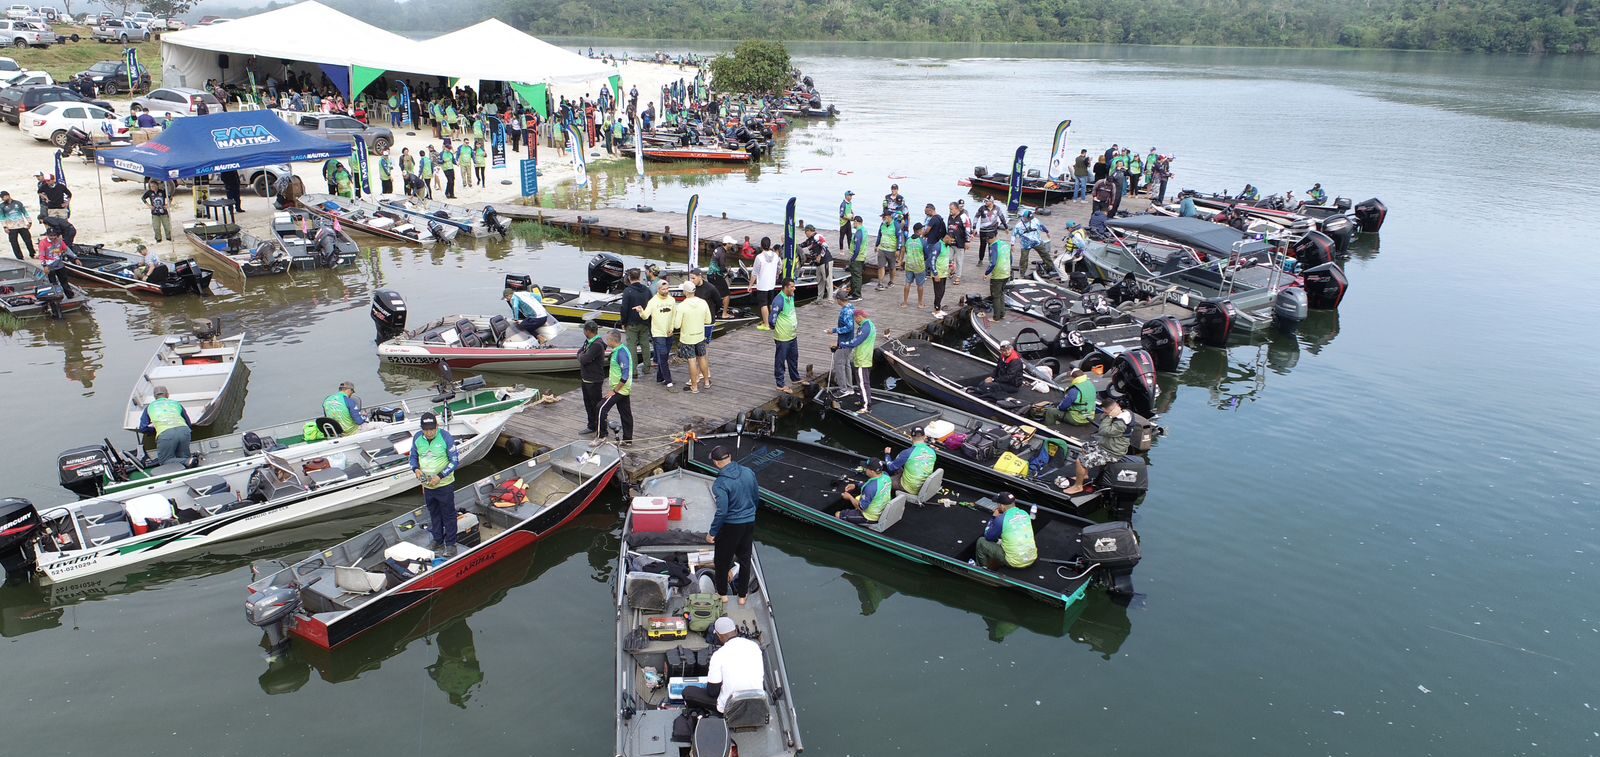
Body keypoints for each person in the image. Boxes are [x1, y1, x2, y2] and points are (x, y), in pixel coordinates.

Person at [681, 616, 765, 714]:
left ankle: (701, 713)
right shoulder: (754, 646)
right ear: (736, 630)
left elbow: (712, 692)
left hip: (731, 708)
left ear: (719, 636)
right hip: (757, 702)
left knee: (688, 692)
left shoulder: (718, 655)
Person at [707, 445, 758, 604]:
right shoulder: (748, 472)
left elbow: (722, 511)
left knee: (721, 561)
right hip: (749, 522)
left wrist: (712, 533)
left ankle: (723, 594)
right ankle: (742, 596)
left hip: (730, 526)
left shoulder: (720, 483)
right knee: (745, 559)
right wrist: (751, 514)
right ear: (730, 457)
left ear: (716, 463)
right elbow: (756, 496)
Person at [409, 412, 461, 556]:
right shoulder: (417, 438)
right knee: (434, 513)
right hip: (427, 486)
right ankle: (438, 540)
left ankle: (451, 544)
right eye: (426, 429)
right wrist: (416, 469)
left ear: (437, 426)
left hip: (444, 485)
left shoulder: (445, 437)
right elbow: (413, 457)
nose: (429, 432)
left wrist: (440, 476)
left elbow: (455, 461)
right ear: (421, 428)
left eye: (432, 429)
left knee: (449, 515)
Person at [1059, 398, 1131, 495]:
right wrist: (1108, 415)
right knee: (1085, 446)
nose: (1104, 413)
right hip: (1106, 445)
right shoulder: (1118, 414)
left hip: (1112, 452)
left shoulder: (1121, 422)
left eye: (1105, 411)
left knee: (1081, 461)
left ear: (1112, 410)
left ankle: (1078, 486)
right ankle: (1084, 475)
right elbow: (1102, 419)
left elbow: (1103, 431)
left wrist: (1109, 417)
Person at [974, 492, 1036, 570]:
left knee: (981, 542)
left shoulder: (1001, 519)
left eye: (998, 504)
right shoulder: (1025, 513)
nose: (997, 506)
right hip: (1031, 558)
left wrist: (993, 518)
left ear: (1002, 506)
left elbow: (988, 536)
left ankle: (983, 569)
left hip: (1015, 562)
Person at [634, 278, 677, 388]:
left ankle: (659, 377)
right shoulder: (653, 301)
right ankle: (668, 380)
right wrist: (640, 311)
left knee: (664, 357)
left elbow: (674, 315)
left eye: (667, 289)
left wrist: (672, 328)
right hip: (658, 334)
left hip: (669, 332)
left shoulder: (672, 300)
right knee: (662, 356)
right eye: (663, 289)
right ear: (658, 289)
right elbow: (645, 316)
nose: (666, 291)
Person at [672, 281, 712, 392]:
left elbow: (677, 325)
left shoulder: (682, 306)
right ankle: (706, 382)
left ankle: (694, 386)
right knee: (702, 357)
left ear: (685, 292)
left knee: (692, 361)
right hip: (700, 335)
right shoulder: (703, 302)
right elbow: (708, 320)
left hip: (688, 338)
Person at [595, 329, 634, 443]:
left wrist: (615, 390)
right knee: (625, 413)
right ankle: (627, 440)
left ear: (613, 340)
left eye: (608, 339)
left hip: (620, 389)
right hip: (622, 389)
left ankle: (601, 436)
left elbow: (625, 375)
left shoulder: (621, 353)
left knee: (600, 408)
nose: (606, 341)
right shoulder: (619, 349)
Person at [138, 386, 192, 465]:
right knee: (185, 458)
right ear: (167, 395)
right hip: (184, 430)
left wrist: (155, 430)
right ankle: (189, 461)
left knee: (165, 461)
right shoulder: (176, 403)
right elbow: (188, 423)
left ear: (155, 397)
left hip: (165, 433)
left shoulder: (149, 407)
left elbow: (143, 428)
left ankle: (187, 461)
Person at [838, 307, 877, 410]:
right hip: (863, 358)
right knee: (861, 382)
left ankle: (866, 407)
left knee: (863, 384)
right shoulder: (868, 325)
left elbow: (855, 342)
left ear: (859, 317)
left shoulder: (866, 328)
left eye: (855, 318)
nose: (855, 321)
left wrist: (840, 344)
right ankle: (862, 400)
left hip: (862, 360)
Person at [618, 268, 653, 379]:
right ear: (640, 277)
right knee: (645, 345)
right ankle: (647, 367)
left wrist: (623, 322)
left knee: (631, 346)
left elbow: (624, 308)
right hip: (645, 322)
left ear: (629, 278)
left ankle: (633, 371)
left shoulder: (627, 291)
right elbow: (651, 305)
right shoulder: (647, 290)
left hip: (631, 323)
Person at [836, 457, 892, 525]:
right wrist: (856, 485)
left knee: (838, 514)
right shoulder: (886, 475)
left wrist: (849, 497)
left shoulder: (870, 488)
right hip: (881, 508)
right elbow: (875, 486)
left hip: (870, 516)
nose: (865, 469)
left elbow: (861, 508)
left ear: (872, 471)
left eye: (866, 468)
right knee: (857, 498)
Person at [884, 426, 938, 495]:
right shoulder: (932, 451)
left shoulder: (906, 453)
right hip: (924, 486)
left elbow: (890, 467)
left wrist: (887, 454)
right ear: (924, 437)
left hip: (910, 487)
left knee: (884, 482)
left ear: (911, 437)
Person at [769, 278, 800, 389]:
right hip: (783, 337)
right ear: (786, 287)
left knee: (793, 357)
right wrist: (775, 327)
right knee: (780, 360)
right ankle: (780, 384)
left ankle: (795, 378)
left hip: (792, 335)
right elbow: (772, 319)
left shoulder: (791, 296)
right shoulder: (779, 300)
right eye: (792, 286)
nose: (794, 288)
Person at [577, 321, 606, 435]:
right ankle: (591, 425)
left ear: (588, 331)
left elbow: (584, 359)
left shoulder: (597, 344)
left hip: (594, 380)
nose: (583, 332)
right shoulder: (588, 341)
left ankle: (601, 428)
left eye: (584, 330)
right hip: (586, 378)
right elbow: (580, 353)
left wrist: (581, 356)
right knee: (588, 404)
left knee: (596, 405)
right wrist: (582, 355)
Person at [826, 287, 856, 393]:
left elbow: (849, 327)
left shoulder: (846, 311)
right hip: (847, 341)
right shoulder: (850, 307)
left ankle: (843, 389)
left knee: (839, 363)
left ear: (839, 300)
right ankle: (849, 387)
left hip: (845, 343)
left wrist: (834, 330)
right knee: (846, 364)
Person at [900, 219, 929, 309]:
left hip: (909, 264)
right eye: (922, 229)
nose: (923, 231)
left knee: (907, 283)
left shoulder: (908, 240)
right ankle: (920, 303)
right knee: (920, 285)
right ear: (919, 231)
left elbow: (905, 250)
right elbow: (927, 254)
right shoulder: (922, 241)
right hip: (919, 266)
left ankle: (905, 302)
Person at [1011, 208, 1049, 278]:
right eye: (1028, 218)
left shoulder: (1035, 220)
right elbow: (1013, 235)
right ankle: (1022, 273)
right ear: (1024, 217)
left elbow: (1041, 226)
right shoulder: (1018, 226)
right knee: (1024, 259)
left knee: (1045, 254)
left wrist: (1047, 232)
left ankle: (1050, 268)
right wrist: (1012, 244)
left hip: (1037, 241)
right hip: (1025, 245)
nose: (1029, 220)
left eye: (1030, 218)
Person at [752, 239, 781, 330]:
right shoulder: (775, 256)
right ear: (770, 245)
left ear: (761, 246)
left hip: (762, 285)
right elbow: (779, 267)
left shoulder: (759, 257)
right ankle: (772, 321)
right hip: (771, 284)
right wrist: (777, 275)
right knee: (771, 303)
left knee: (763, 304)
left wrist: (750, 285)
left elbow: (754, 273)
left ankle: (766, 324)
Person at [36, 230, 75, 297]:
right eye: (51, 235)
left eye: (54, 235)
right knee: (53, 282)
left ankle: (70, 295)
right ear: (47, 235)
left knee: (64, 281)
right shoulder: (43, 243)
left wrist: (75, 258)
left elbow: (67, 250)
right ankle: (56, 295)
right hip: (49, 266)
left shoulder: (60, 241)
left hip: (60, 265)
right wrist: (44, 266)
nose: (53, 237)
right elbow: (42, 255)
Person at [984, 234, 1012, 321]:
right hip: (1006, 272)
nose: (987, 242)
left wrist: (986, 273)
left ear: (989, 239)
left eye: (987, 240)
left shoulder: (993, 246)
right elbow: (1011, 258)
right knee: (1001, 293)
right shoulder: (1005, 244)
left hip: (998, 275)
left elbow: (993, 262)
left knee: (995, 296)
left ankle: (996, 317)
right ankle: (1002, 313)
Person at [974, 196, 1006, 268]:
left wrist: (1006, 227)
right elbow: (976, 217)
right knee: (982, 246)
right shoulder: (982, 208)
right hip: (983, 231)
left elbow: (1002, 217)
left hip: (992, 231)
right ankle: (980, 260)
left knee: (991, 246)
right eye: (985, 201)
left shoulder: (997, 208)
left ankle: (991, 261)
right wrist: (974, 227)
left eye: (987, 201)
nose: (985, 202)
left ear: (991, 202)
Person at [1, 190, 32, 260]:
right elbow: (2, 217)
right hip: (11, 227)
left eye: (3, 197)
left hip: (22, 225)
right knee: (14, 243)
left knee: (28, 240)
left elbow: (25, 213)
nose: (2, 199)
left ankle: (32, 253)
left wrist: (29, 222)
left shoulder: (18, 203)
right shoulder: (2, 206)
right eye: (1, 198)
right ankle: (19, 257)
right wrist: (5, 227)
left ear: (8, 195)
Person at [945, 200, 970, 284]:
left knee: (959, 261)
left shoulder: (963, 216)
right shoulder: (950, 217)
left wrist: (967, 241)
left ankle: (958, 277)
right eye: (949, 209)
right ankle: (952, 269)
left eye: (951, 209)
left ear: (956, 209)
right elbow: (948, 227)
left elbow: (968, 229)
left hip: (960, 242)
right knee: (948, 259)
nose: (950, 211)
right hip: (950, 242)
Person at [931, 231, 954, 317]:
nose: (952, 242)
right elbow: (932, 260)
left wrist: (950, 265)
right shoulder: (938, 246)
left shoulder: (947, 246)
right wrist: (935, 273)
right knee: (938, 292)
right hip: (938, 273)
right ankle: (936, 310)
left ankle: (939, 308)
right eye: (951, 240)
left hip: (944, 273)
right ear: (946, 238)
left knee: (942, 291)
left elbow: (945, 258)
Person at [844, 215, 867, 299]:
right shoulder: (864, 230)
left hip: (857, 258)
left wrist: (853, 258)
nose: (853, 224)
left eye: (853, 222)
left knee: (856, 277)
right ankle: (853, 293)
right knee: (855, 276)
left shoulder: (858, 233)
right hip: (862, 256)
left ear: (856, 222)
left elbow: (857, 247)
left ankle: (857, 295)